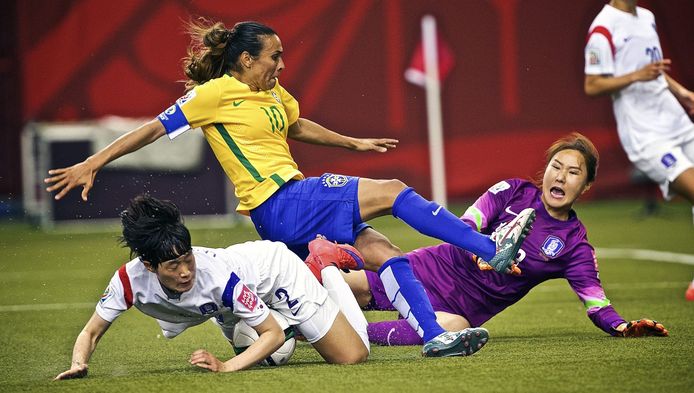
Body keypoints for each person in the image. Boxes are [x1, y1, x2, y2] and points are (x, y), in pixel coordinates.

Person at [43, 19, 535, 356]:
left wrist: (350, 142)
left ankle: (432, 337)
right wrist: (95, 160)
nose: (281, 65)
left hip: (294, 206)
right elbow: (151, 129)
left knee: (384, 252)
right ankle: (488, 249)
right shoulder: (212, 95)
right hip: (280, 202)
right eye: (273, 57)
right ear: (243, 59)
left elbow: (297, 125)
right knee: (393, 190)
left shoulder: (273, 93)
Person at [336, 133, 669, 345]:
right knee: (348, 286)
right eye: (557, 166)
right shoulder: (512, 192)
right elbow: (466, 223)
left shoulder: (576, 247)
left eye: (573, 172)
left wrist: (622, 327)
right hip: (434, 268)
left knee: (452, 327)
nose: (561, 176)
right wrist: (479, 250)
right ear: (547, 169)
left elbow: (596, 303)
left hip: (462, 308)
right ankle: (293, 297)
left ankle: (339, 336)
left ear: (586, 186)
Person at [54, 194, 370, 380]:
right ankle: (295, 319)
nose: (185, 271)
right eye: (173, 266)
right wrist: (78, 363)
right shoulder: (128, 281)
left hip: (275, 275)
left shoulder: (216, 279)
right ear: (149, 266)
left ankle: (324, 264)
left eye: (187, 259)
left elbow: (271, 334)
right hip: (229, 309)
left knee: (351, 356)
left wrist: (226, 367)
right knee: (264, 347)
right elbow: (91, 332)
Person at [583, 0, 694, 300]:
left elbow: (653, 70)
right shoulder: (603, 28)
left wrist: (682, 93)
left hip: (676, 120)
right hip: (647, 135)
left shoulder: (647, 17)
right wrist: (635, 76)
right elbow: (592, 85)